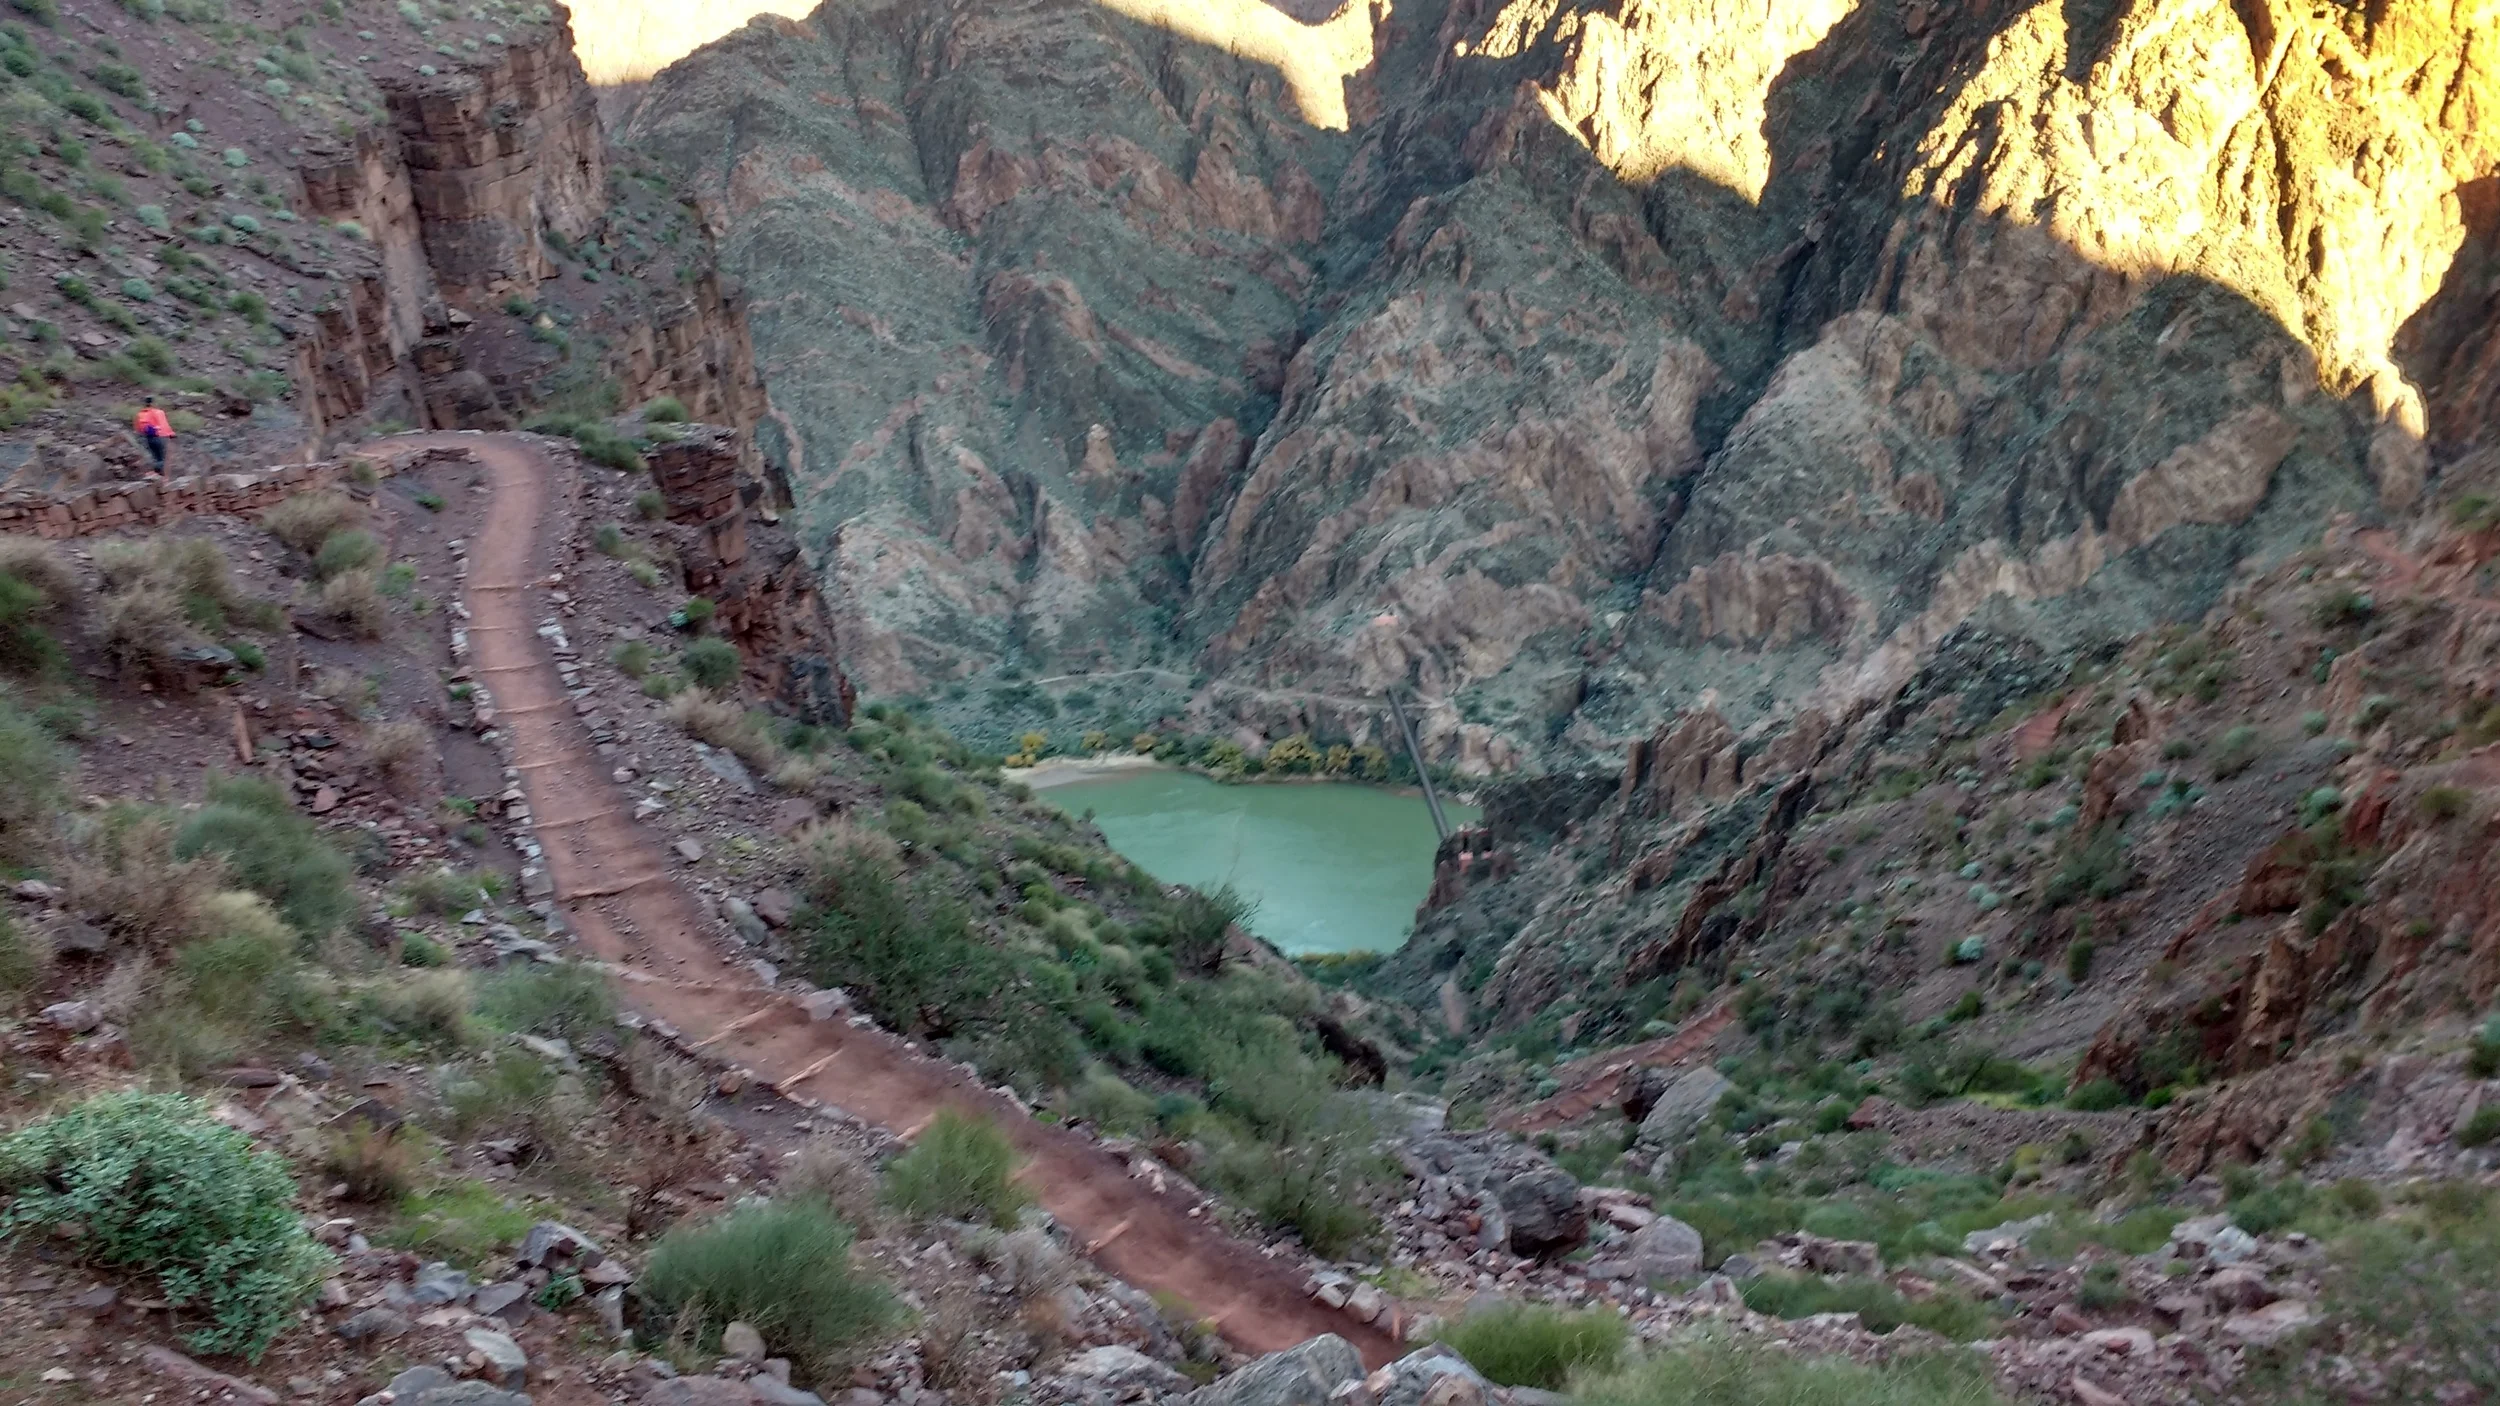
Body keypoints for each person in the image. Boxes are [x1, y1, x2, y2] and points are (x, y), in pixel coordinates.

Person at [133, 397, 174, 478]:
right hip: (160, 436)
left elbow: (137, 428)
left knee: (155, 456)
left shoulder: (140, 414)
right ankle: (160, 475)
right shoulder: (158, 412)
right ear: (153, 403)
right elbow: (164, 425)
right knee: (162, 457)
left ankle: (156, 474)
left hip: (148, 438)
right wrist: (171, 434)